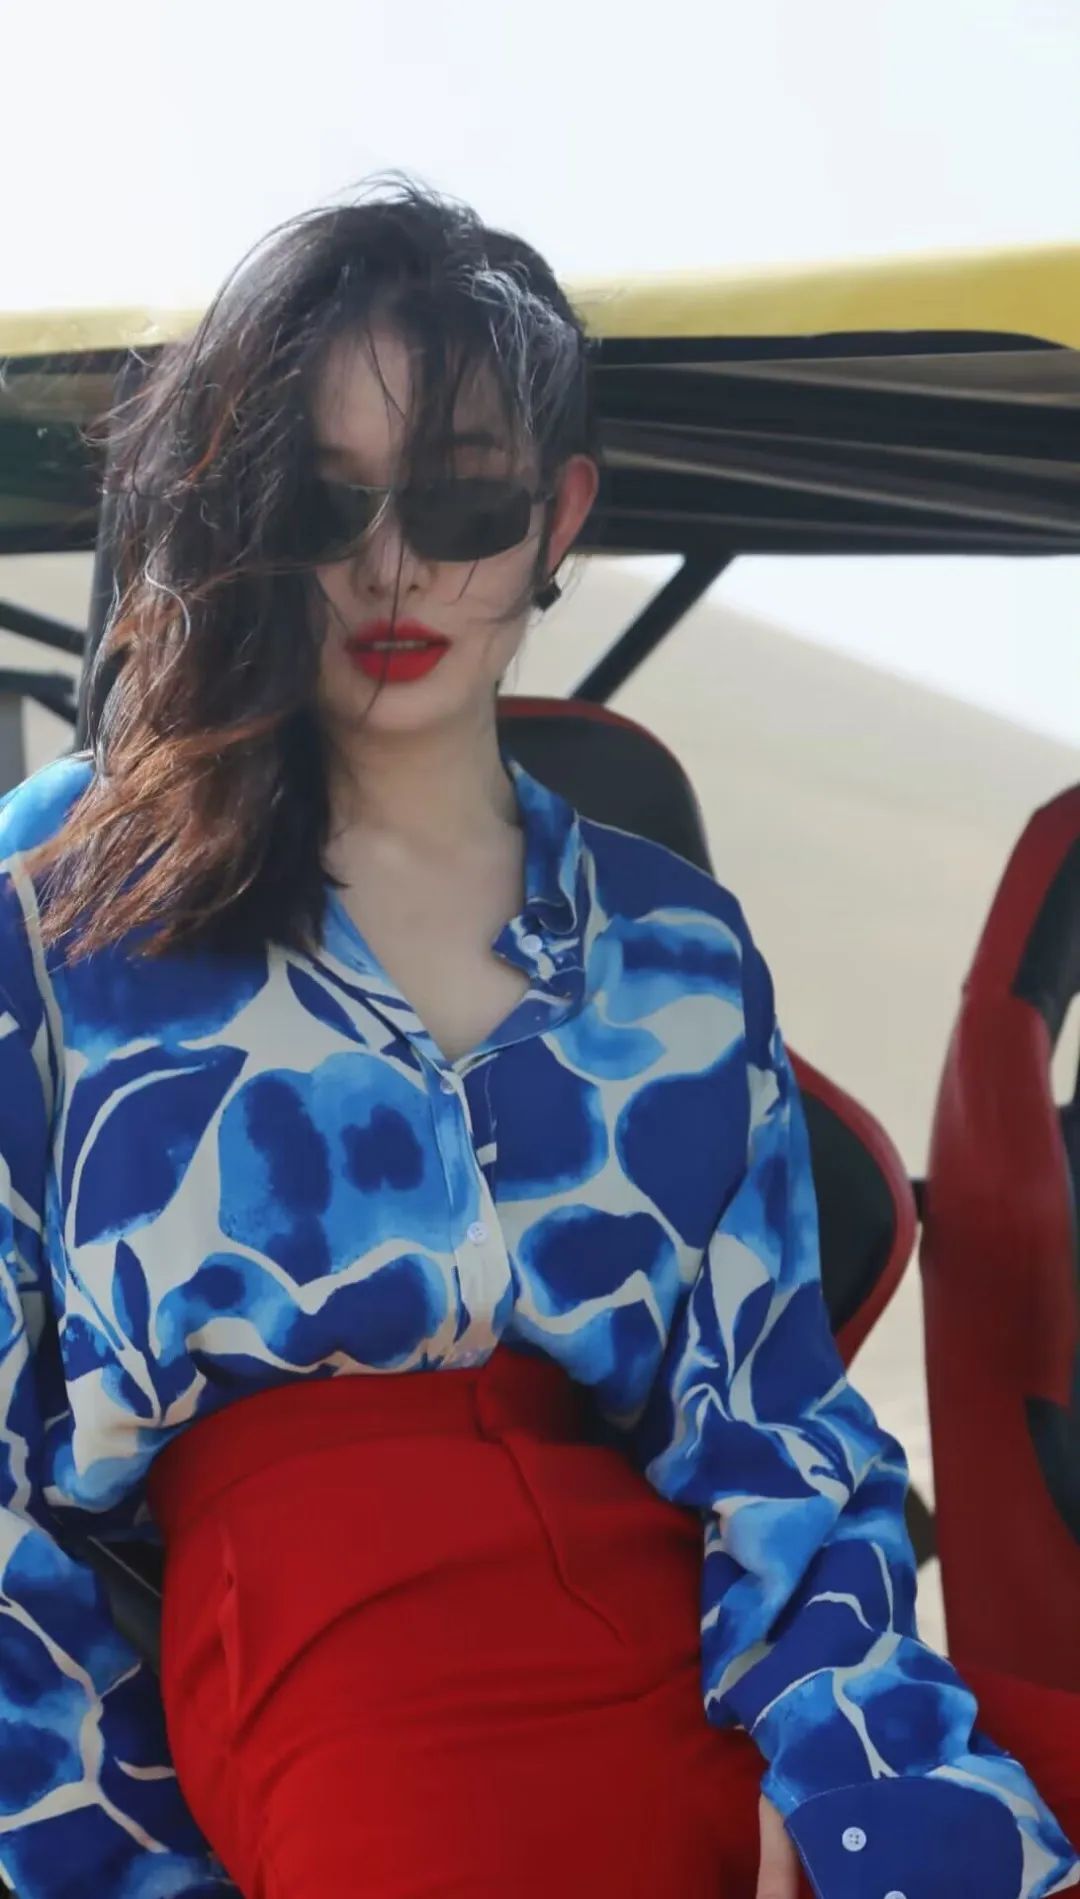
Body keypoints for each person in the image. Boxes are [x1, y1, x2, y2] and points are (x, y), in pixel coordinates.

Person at [0, 184, 1075, 1899]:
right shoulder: (63, 895)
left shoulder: (678, 953)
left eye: (463, 497)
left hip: (683, 1637)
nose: (395, 565)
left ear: (557, 514)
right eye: (322, 498)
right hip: (323, 1663)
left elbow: (777, 1428)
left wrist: (850, 1766)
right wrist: (111, 1857)